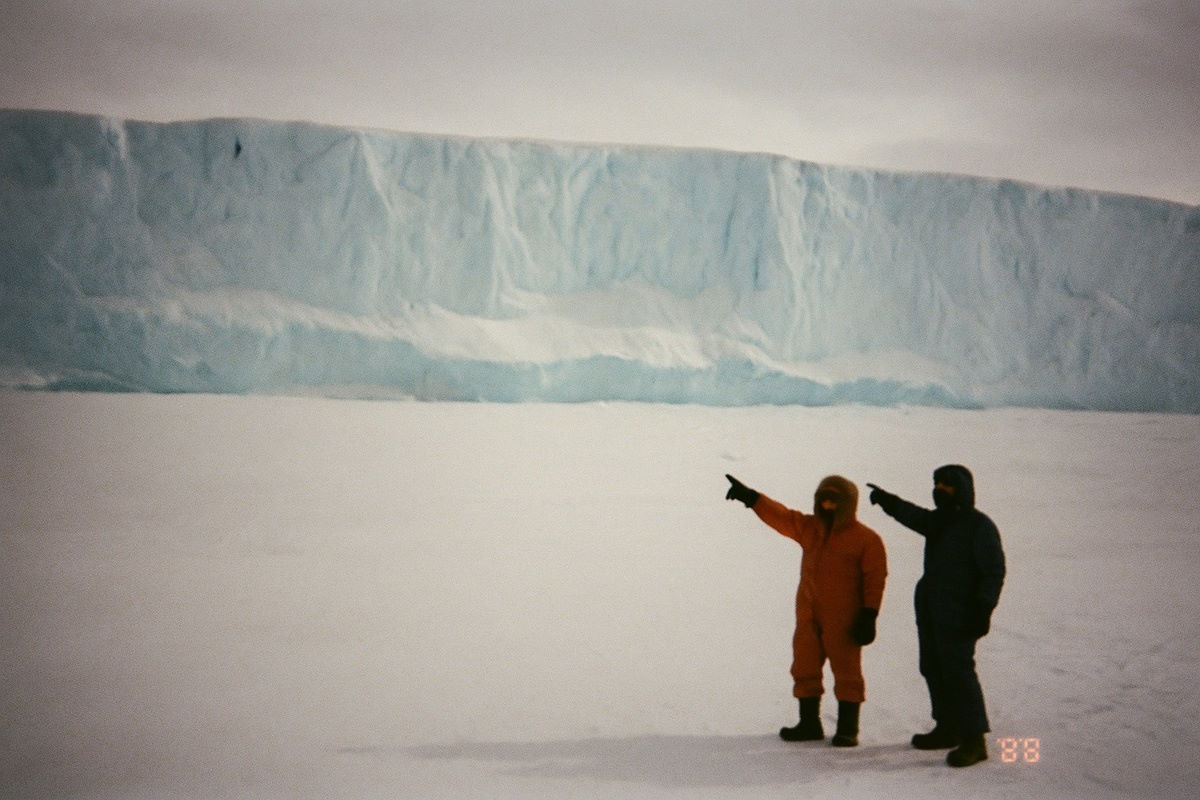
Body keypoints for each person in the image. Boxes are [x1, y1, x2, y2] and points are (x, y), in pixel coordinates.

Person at [725, 473, 887, 747]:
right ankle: (809, 723)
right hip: (808, 614)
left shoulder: (866, 540)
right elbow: (783, 518)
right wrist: (753, 499)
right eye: (822, 499)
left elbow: (876, 578)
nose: (826, 505)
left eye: (833, 501)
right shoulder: (811, 528)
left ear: (847, 504)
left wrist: (869, 613)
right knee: (804, 664)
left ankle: (848, 728)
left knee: (846, 669)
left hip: (845, 618)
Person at [867, 465, 1005, 768]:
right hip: (931, 606)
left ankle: (973, 739)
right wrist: (887, 501)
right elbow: (913, 515)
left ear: (963, 489)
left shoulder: (979, 526)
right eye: (937, 484)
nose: (940, 489)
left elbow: (993, 572)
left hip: (961, 613)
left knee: (958, 671)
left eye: (948, 485)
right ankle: (947, 727)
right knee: (932, 666)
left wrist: (983, 609)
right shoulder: (939, 521)